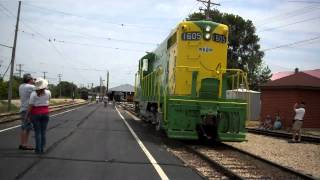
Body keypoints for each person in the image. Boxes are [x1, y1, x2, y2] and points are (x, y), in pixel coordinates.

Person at [27, 78, 51, 154]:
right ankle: (42, 148)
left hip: (35, 114)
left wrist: (27, 116)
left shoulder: (33, 94)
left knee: (38, 132)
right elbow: (48, 100)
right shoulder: (48, 92)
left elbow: (30, 105)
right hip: (45, 113)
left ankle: (38, 149)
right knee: (43, 132)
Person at [18, 74, 35, 150]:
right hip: (27, 109)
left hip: (22, 109)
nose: (33, 80)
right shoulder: (30, 87)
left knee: (23, 127)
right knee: (27, 128)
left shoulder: (21, 86)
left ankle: (22, 144)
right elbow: (41, 89)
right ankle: (25, 145)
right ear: (29, 79)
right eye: (32, 79)